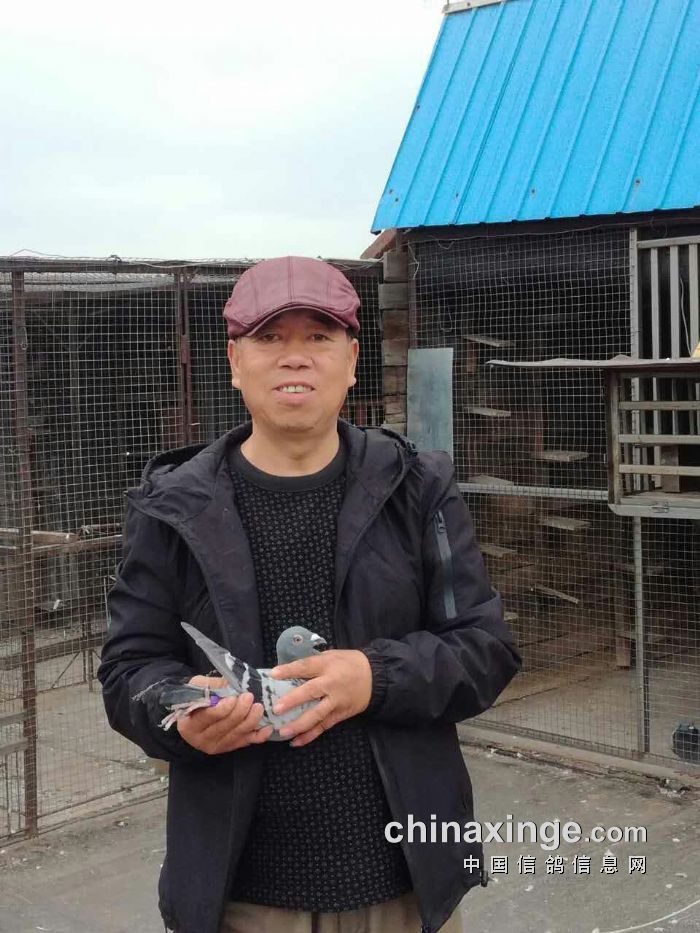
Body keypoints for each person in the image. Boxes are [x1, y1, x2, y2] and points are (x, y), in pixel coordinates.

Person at [97, 255, 522, 933]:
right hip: (243, 899)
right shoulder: (172, 507)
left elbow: (484, 648)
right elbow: (128, 673)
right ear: (234, 361)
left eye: (318, 336)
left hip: (405, 890)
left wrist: (374, 677)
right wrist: (180, 711)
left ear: (352, 360)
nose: (294, 356)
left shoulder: (417, 487)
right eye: (269, 337)